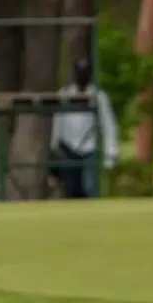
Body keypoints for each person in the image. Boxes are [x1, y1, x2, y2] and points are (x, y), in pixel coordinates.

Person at [50, 57, 119, 198]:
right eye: (80, 72)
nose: (83, 75)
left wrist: (111, 152)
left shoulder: (98, 96)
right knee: (70, 189)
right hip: (68, 148)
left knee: (90, 186)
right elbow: (57, 119)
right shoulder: (65, 94)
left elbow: (108, 124)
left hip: (88, 148)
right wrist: (54, 143)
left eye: (85, 72)